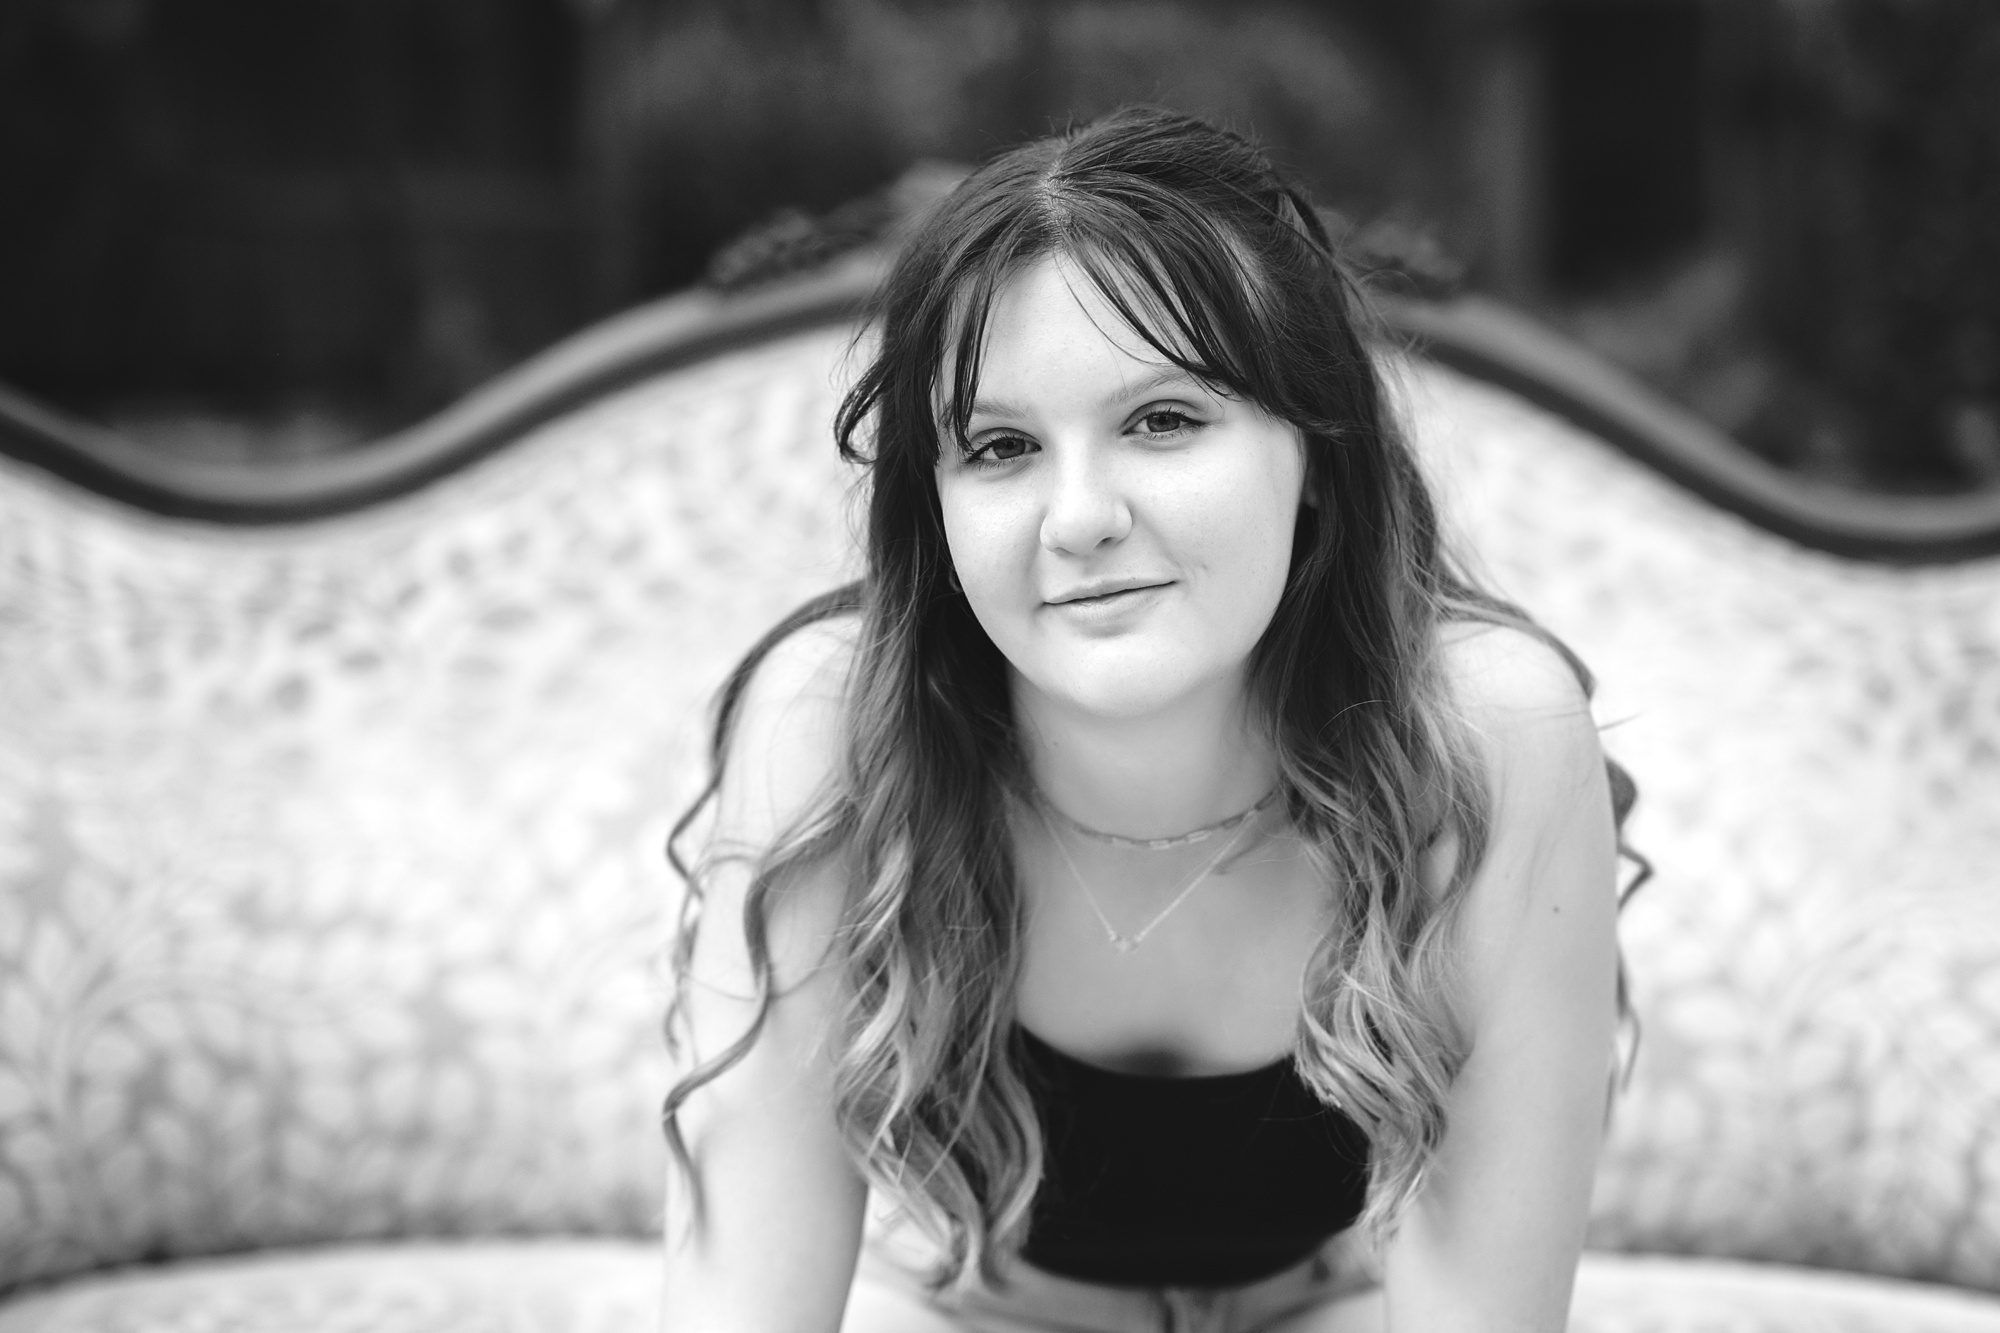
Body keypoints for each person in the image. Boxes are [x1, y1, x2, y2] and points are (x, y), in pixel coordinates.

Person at [659, 106, 1643, 1333]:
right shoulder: (834, 729)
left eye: (1162, 420)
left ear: (1316, 454)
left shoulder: (1486, 734)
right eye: (1001, 445)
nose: (1077, 519)